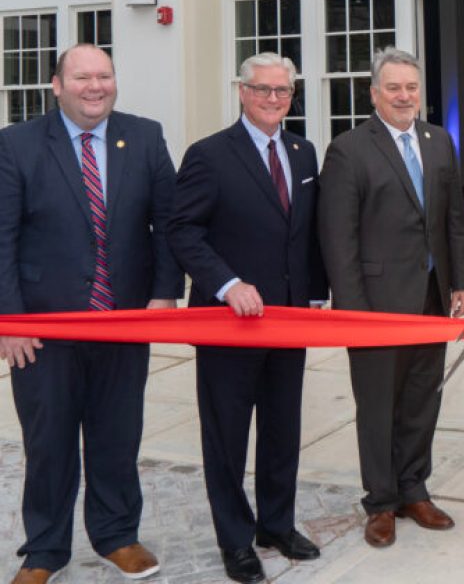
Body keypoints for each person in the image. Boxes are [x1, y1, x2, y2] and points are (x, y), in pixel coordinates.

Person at [0, 43, 182, 584]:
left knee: (117, 434)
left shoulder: (144, 136)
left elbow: (168, 224)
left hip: (124, 321)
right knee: (49, 440)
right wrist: (9, 321)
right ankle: (44, 552)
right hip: (43, 328)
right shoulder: (17, 144)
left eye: (104, 76)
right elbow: (2, 237)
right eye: (82, 78)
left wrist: (165, 292)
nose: (95, 87)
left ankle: (117, 535)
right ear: (56, 85)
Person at [168, 53, 326, 584]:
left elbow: (305, 236)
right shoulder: (209, 155)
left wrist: (318, 296)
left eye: (283, 91)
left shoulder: (303, 153)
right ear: (241, 90)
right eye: (263, 90)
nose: (274, 99)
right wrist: (227, 283)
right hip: (227, 324)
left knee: (284, 430)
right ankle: (235, 541)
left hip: (288, 321)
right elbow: (182, 230)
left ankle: (276, 525)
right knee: (227, 438)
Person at [318, 47, 464, 549]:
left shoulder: (438, 141)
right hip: (376, 305)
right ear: (374, 93)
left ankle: (413, 489)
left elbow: (453, 219)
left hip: (431, 298)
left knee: (421, 401)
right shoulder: (348, 150)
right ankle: (381, 502)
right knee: (378, 405)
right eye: (394, 87)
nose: (404, 95)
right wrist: (353, 311)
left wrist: (462, 281)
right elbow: (338, 240)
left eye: (411, 87)